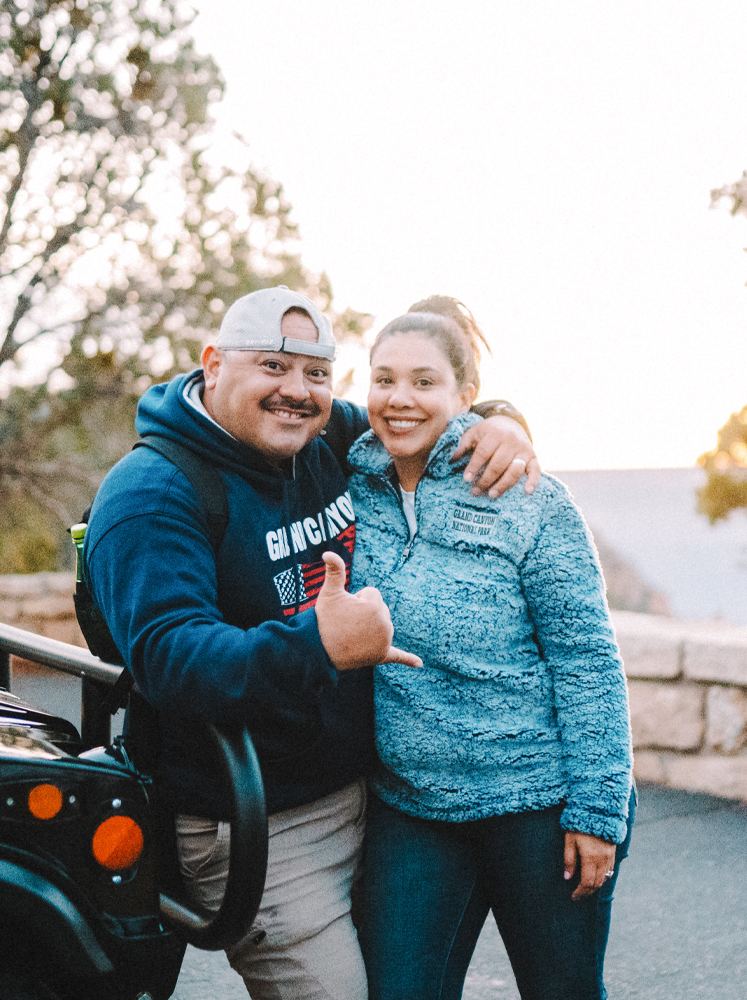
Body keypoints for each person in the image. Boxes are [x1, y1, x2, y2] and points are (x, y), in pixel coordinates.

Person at [80, 287, 540, 1000]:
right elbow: (173, 660)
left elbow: (420, 420)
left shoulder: (326, 438)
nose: (296, 390)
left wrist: (502, 422)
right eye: (272, 365)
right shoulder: (152, 492)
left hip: (373, 799)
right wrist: (319, 643)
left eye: (316, 372)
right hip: (259, 825)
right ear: (213, 364)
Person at [349, 303, 633, 1000]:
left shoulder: (528, 497)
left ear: (465, 395)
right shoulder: (348, 486)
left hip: (539, 806)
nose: (400, 398)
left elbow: (586, 660)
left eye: (424, 382)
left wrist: (598, 813)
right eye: (384, 379)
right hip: (412, 810)